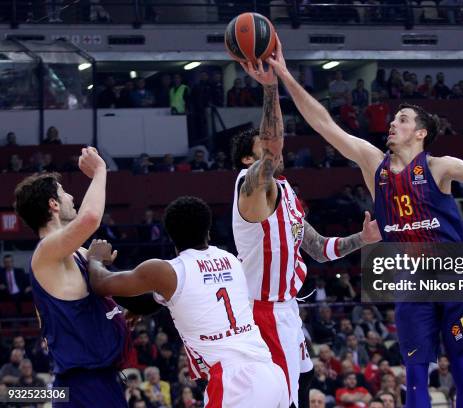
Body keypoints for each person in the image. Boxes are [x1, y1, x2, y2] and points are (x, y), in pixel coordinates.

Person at [266, 34, 463, 408]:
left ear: (421, 133)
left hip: (459, 273)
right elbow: (324, 124)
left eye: (403, 119)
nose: (393, 123)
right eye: (394, 119)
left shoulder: (439, 166)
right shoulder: (373, 165)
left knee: (460, 362)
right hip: (414, 278)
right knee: (414, 371)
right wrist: (284, 75)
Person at [232, 60, 382, 408]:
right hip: (262, 309)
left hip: (287, 308)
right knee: (281, 399)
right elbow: (271, 149)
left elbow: (317, 249)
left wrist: (363, 239)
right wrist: (271, 88)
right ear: (246, 161)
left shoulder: (286, 194)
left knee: (302, 385)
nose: (277, 151)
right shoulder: (250, 186)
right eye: (263, 149)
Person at [86, 196, 289, 407]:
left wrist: (95, 259)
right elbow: (158, 301)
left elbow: (102, 283)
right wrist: (139, 308)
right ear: (208, 231)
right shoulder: (230, 259)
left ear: (170, 236)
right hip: (269, 372)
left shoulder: (168, 272)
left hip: (235, 383)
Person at [13, 148, 130, 407]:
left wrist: (117, 314)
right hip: (82, 381)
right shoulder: (45, 252)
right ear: (53, 204)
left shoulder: (78, 253)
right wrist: (100, 171)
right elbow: (90, 218)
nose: (71, 196)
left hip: (97, 378)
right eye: (64, 193)